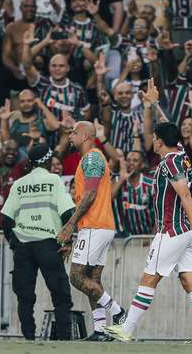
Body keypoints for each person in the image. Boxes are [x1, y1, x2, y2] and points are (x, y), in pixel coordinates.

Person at [104, 121, 192, 343]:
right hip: (183, 232)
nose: (152, 141)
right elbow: (173, 134)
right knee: (189, 280)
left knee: (149, 278)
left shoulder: (170, 163)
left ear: (159, 141)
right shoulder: (180, 156)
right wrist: (153, 103)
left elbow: (184, 195)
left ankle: (126, 329)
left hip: (172, 231)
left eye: (154, 137)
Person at [57, 121, 126, 341]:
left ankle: (119, 313)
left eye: (74, 132)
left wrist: (70, 225)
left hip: (95, 225)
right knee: (92, 279)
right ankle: (100, 330)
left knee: (76, 277)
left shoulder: (93, 158)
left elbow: (90, 195)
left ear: (86, 136)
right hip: (100, 225)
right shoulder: (90, 159)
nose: (70, 136)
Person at [1, 143, 75, 341]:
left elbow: (6, 220)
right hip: (49, 245)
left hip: (23, 246)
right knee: (60, 295)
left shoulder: (18, 184)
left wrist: (13, 243)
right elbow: (68, 212)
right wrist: (69, 240)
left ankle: (29, 339)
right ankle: (64, 340)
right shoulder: (54, 180)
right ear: (48, 161)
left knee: (24, 297)